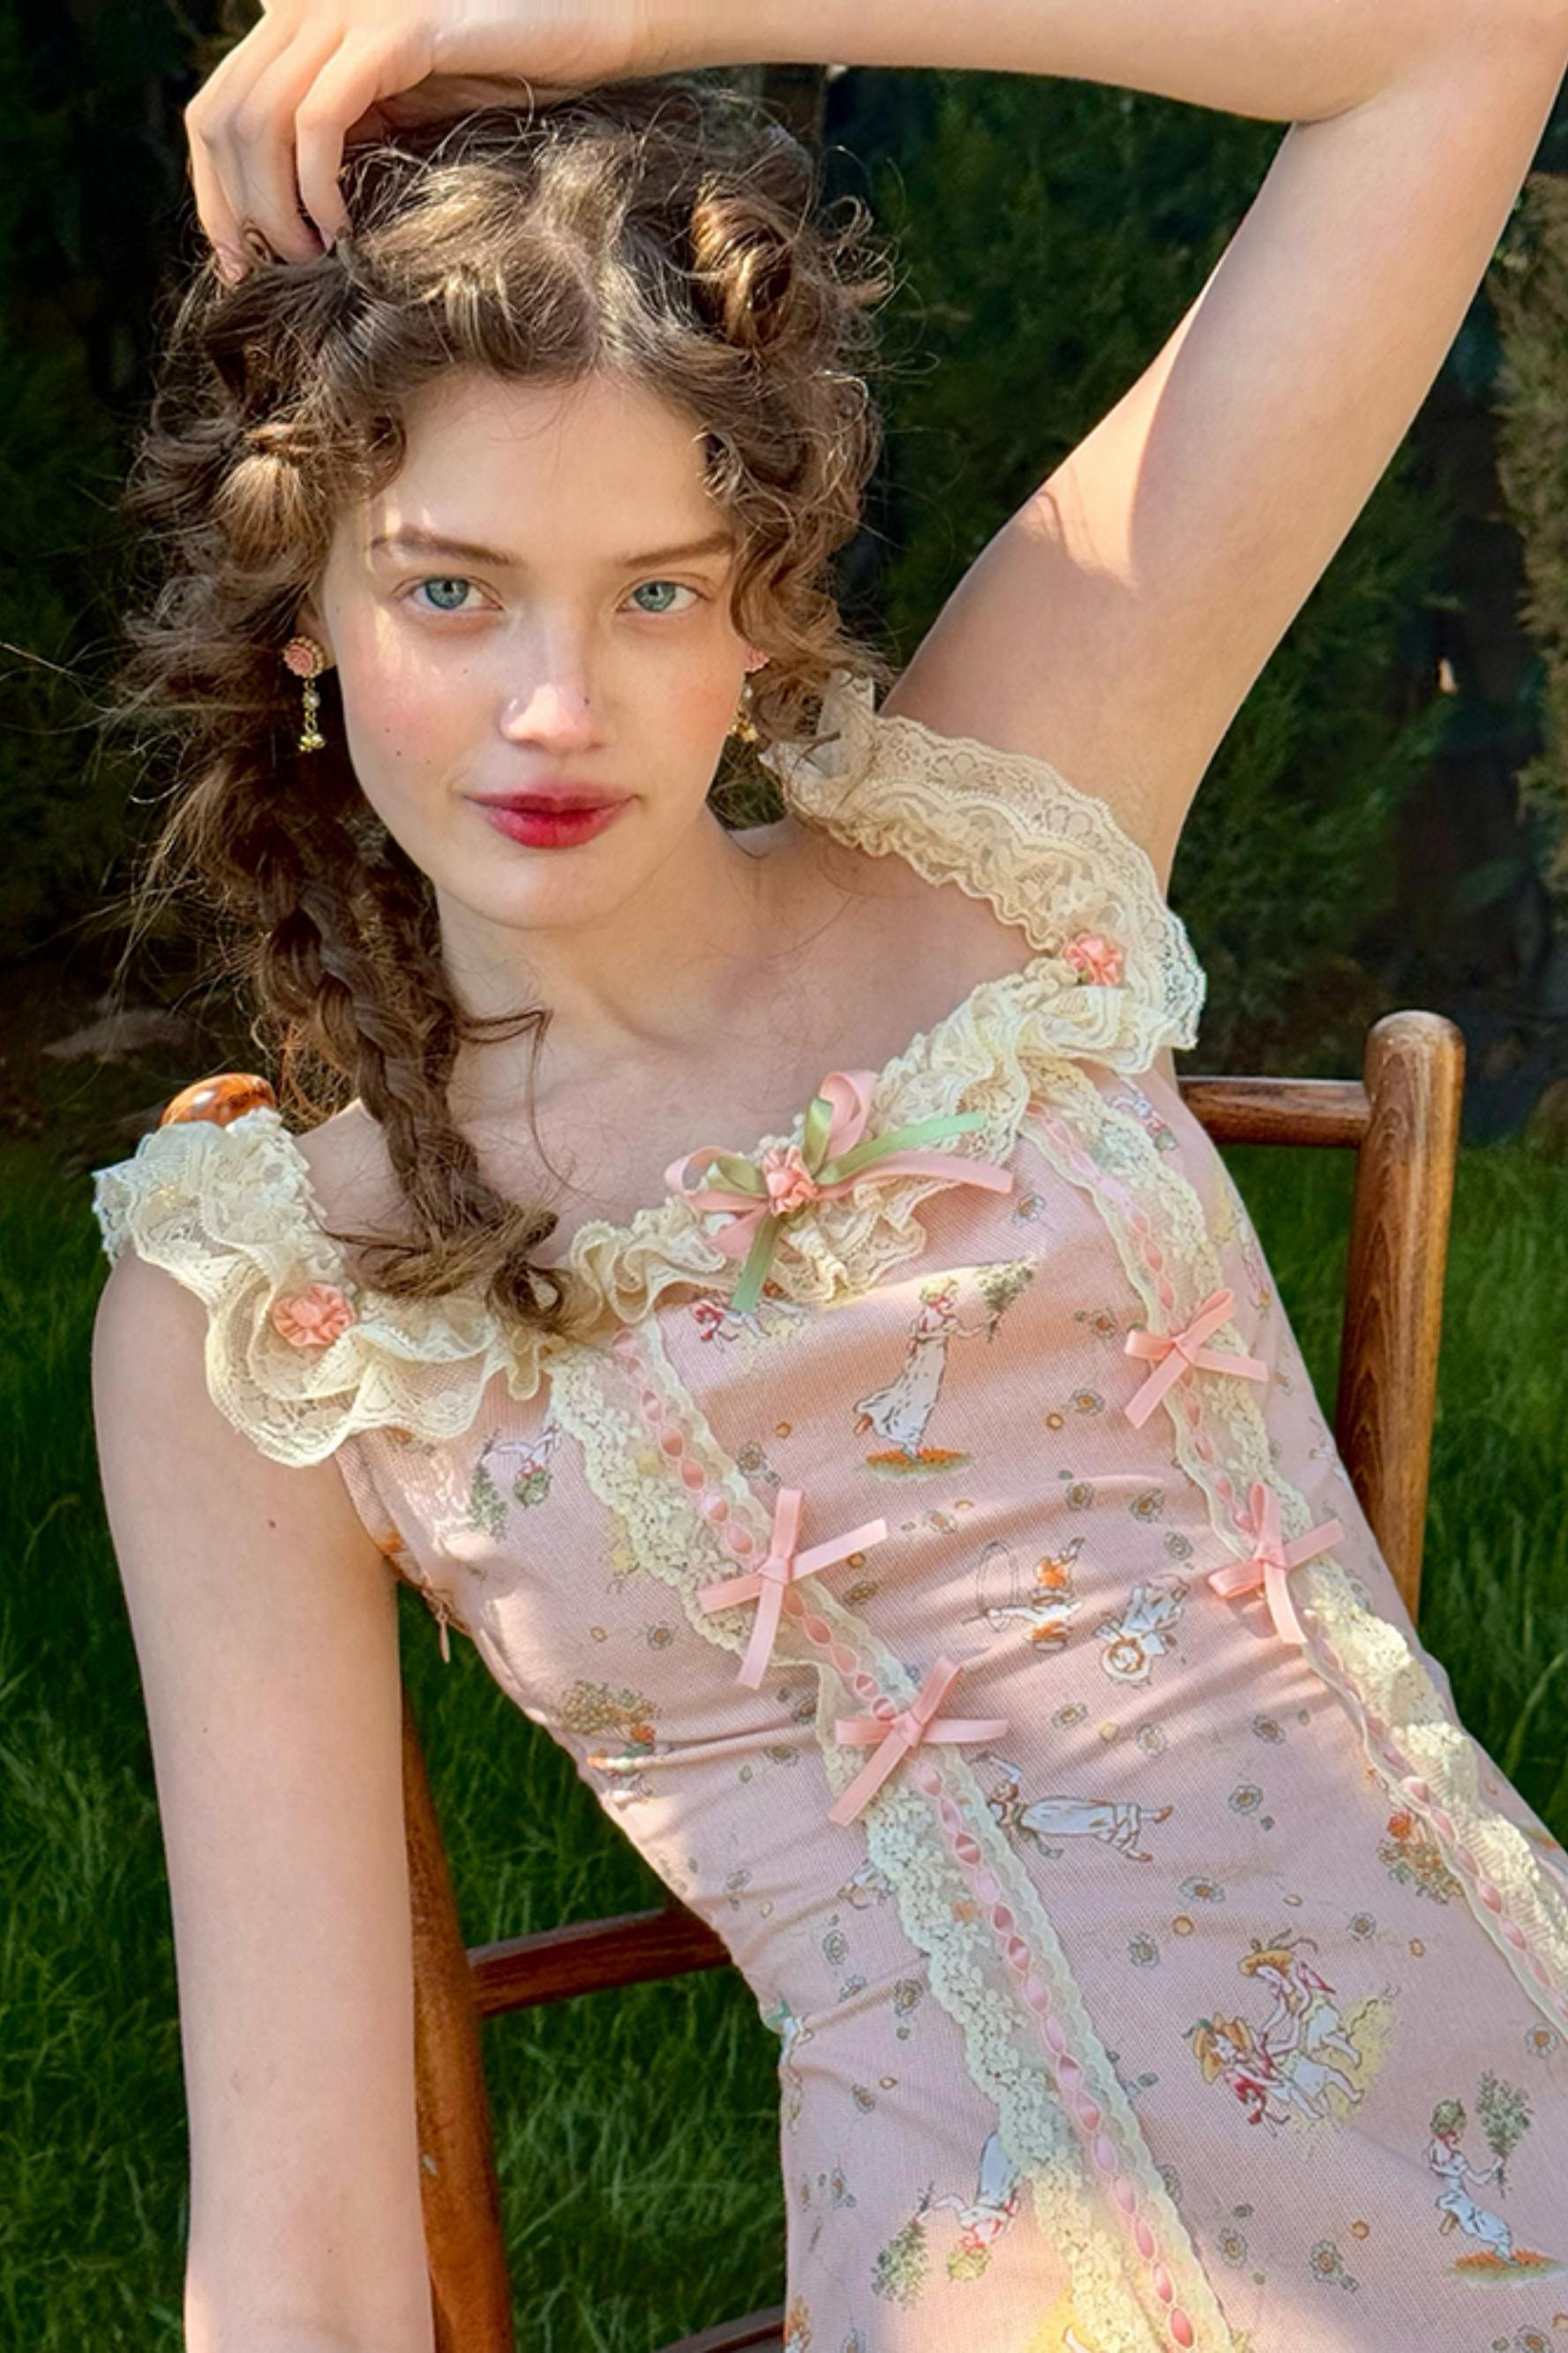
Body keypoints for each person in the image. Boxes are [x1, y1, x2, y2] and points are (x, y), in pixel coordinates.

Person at [87, 5, 1568, 2350]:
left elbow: (1458, 45)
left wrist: (645, 15)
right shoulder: (267, 1316)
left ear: (765, 603)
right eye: (450, 588)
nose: (555, 707)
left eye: (656, 590)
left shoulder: (995, 840)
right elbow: (305, 2254)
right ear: (306, 613)